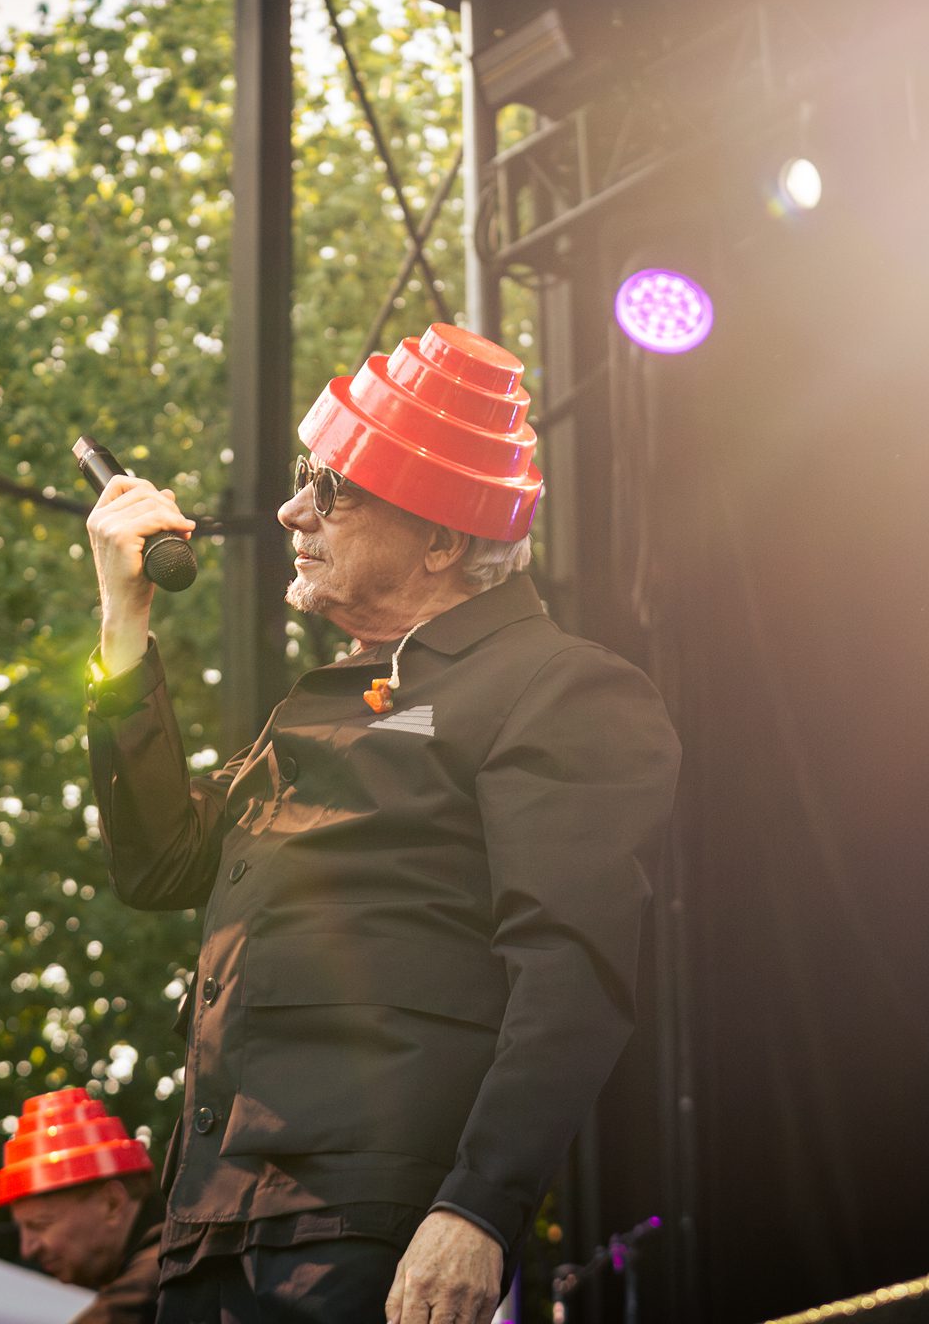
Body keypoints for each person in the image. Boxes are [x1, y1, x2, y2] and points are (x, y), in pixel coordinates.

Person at [83, 324, 681, 1324]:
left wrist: (478, 1211)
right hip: (209, 1229)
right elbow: (160, 863)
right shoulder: (341, 700)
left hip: (361, 1229)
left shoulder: (556, 687)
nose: (291, 511)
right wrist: (124, 628)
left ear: (442, 539)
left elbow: (570, 968)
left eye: (333, 490)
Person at [0, 1088, 164, 1324]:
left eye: (41, 1224)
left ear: (112, 1203)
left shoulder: (161, 1287)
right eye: (22, 1228)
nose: (27, 1249)